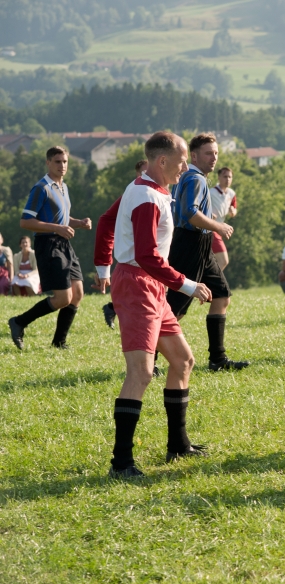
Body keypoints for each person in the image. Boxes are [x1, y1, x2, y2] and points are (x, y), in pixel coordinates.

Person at [93, 131, 212, 479]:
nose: (185, 167)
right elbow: (146, 255)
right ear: (162, 161)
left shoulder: (144, 187)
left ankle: (178, 445)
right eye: (182, 161)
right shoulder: (147, 196)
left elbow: (106, 221)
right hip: (138, 285)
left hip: (151, 285)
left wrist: (102, 267)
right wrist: (187, 284)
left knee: (183, 361)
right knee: (141, 373)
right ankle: (121, 463)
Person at [166, 132, 249, 372]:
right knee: (175, 309)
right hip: (190, 245)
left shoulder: (190, 176)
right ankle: (150, 360)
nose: (214, 158)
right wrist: (218, 226)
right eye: (208, 153)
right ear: (194, 156)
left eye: (216, 153)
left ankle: (217, 359)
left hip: (200, 246)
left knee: (221, 295)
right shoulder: (195, 178)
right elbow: (190, 213)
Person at [8, 146, 92, 350]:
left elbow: (62, 219)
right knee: (63, 298)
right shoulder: (41, 188)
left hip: (64, 243)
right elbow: (25, 221)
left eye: (65, 162)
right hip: (48, 245)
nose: (62, 165)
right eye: (57, 161)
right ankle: (19, 322)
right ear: (48, 163)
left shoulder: (63, 187)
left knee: (78, 293)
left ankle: (59, 342)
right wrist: (57, 228)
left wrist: (79, 223)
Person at [102, 160, 148, 329]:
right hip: (136, 260)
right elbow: (106, 221)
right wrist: (103, 266)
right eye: (144, 173)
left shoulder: (163, 191)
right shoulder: (133, 193)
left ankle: (112, 308)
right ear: (137, 174)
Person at [209, 166, 237, 271]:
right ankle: (213, 279)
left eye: (230, 177)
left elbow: (234, 208)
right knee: (223, 260)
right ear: (219, 177)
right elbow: (200, 207)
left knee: (210, 261)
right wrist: (209, 214)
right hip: (211, 228)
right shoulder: (211, 192)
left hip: (220, 230)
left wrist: (233, 211)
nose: (228, 179)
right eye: (225, 176)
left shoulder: (231, 193)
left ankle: (207, 279)